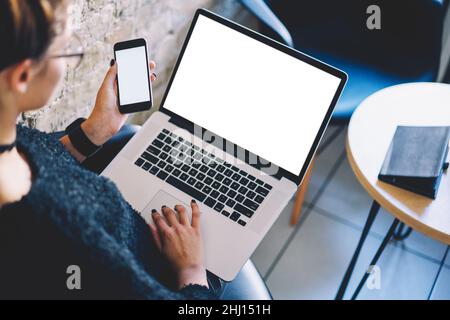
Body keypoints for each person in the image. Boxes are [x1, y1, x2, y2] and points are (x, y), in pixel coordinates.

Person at [0, 0, 214, 299]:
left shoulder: (6, 138)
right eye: (66, 50)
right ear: (23, 76)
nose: (67, 61)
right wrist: (192, 270)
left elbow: (32, 156)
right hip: (164, 269)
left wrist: (92, 132)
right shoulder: (65, 229)